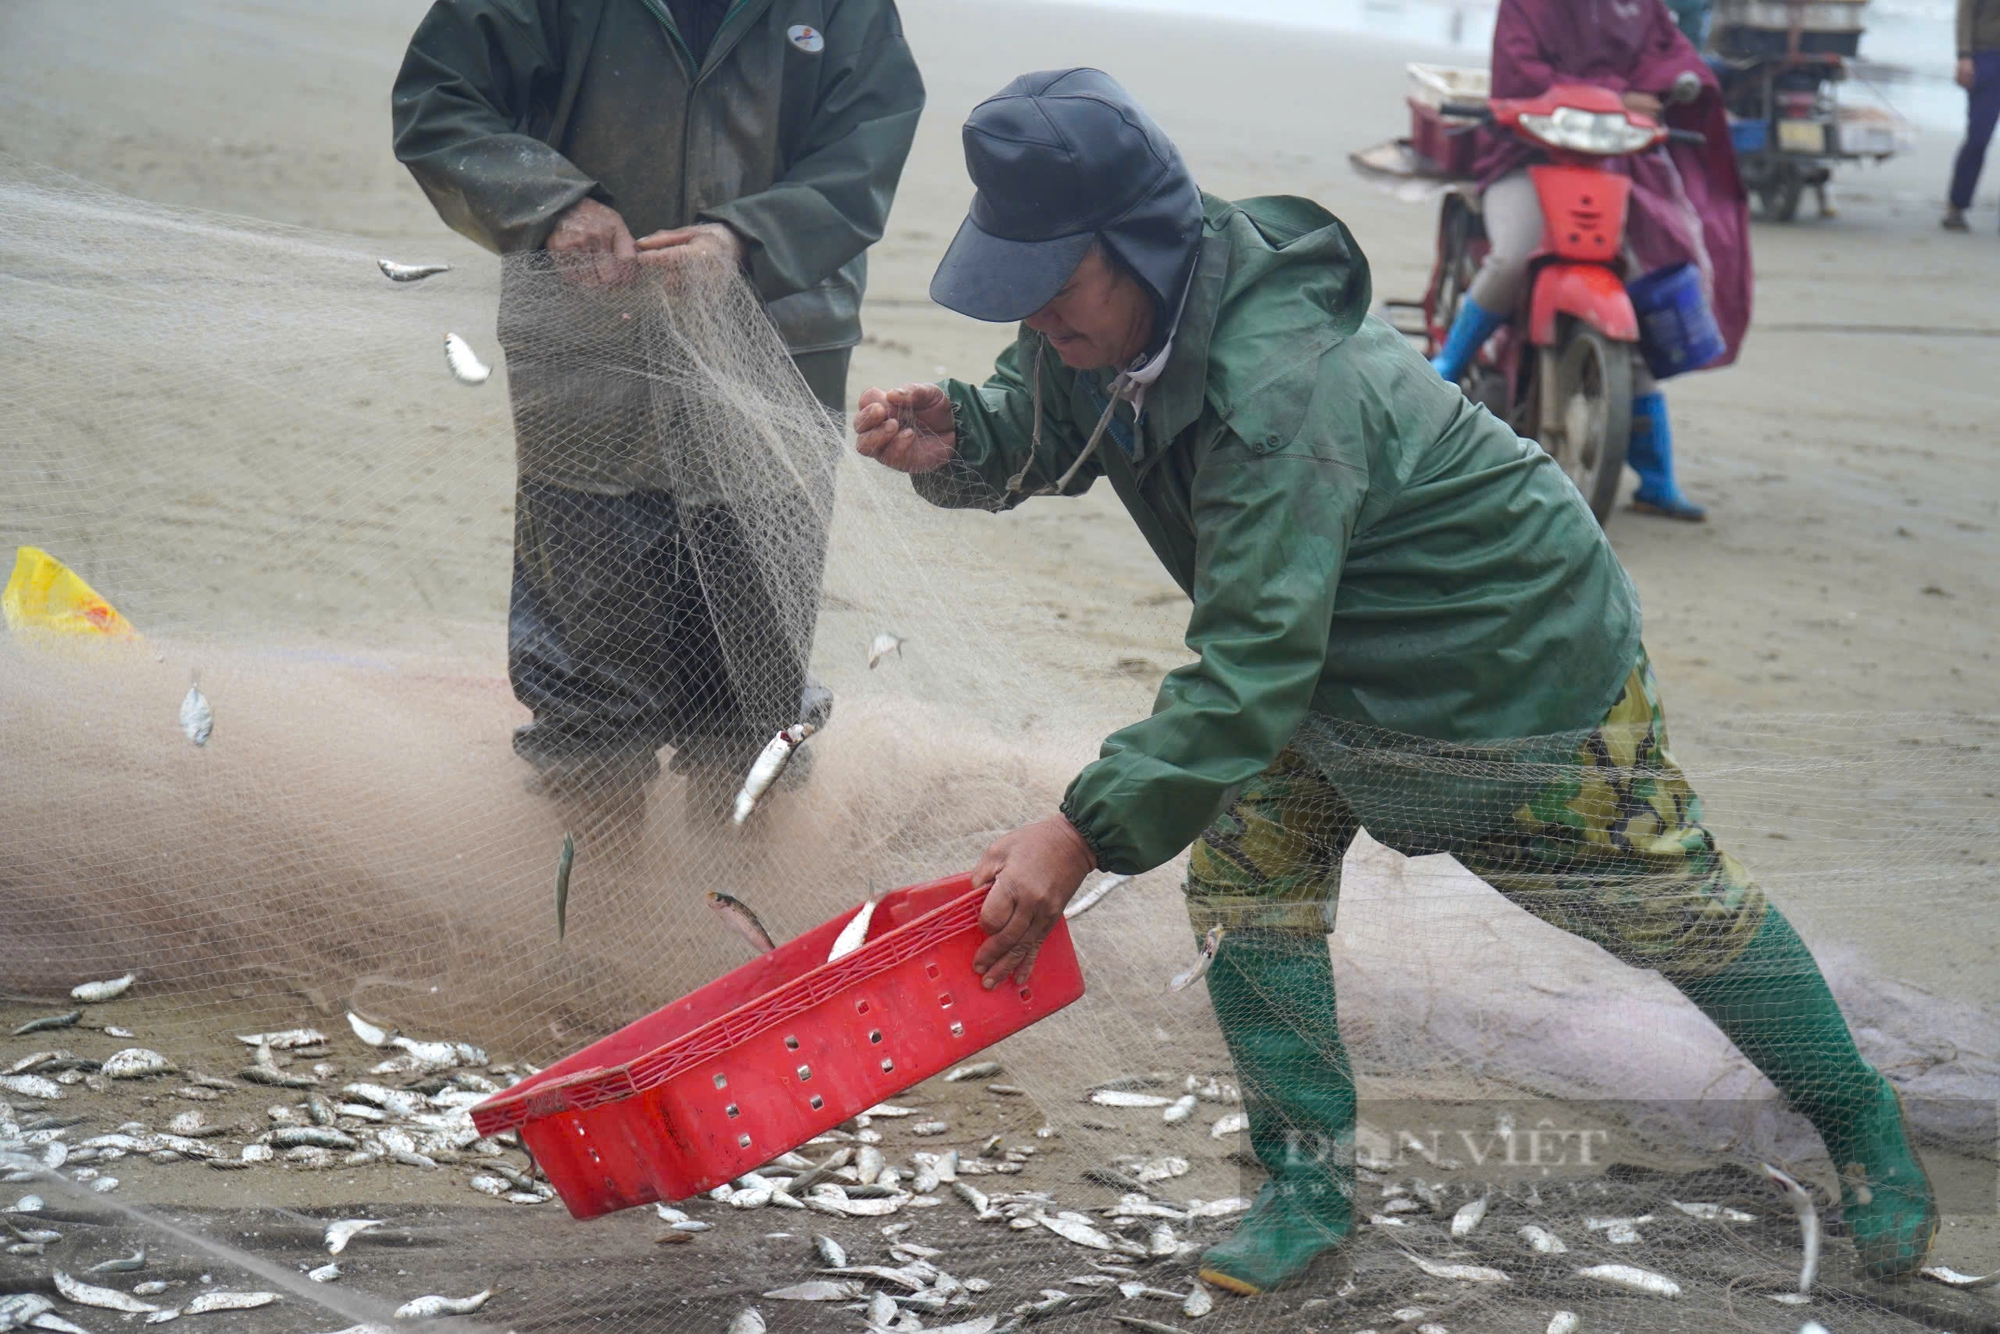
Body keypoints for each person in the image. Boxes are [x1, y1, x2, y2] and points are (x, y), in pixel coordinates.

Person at [854, 68, 1935, 1297]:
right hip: (1325, 652)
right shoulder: (1132, 313)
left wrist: (1077, 829)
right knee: (1247, 879)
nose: (1036, 311)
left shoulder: (1278, 387)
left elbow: (1248, 660)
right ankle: (1305, 1185)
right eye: (1018, 287)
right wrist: (972, 437)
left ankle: (1859, 1120)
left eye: (1053, 283)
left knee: (1666, 903)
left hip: (1510, 654)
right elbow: (1071, 412)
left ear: (1139, 242)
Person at [392, 0, 923, 809]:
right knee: (587, 694)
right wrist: (552, 204)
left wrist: (744, 240)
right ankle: (598, 910)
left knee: (755, 699)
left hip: (777, 353)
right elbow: (439, 100)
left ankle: (738, 915)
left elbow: (867, 141)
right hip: (588, 360)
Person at [1428, 0, 1751, 521]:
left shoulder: (1639, 7)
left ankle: (1657, 477)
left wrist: (1666, 91)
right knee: (1512, 258)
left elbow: (1665, 56)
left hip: (1610, 159)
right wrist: (1619, 94)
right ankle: (1446, 365)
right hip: (1523, 154)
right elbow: (1520, 70)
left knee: (1647, 286)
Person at [1945, 0, 2000, 231]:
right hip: (1987, 55)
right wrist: (1964, 55)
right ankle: (1957, 205)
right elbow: (1965, 11)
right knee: (1978, 137)